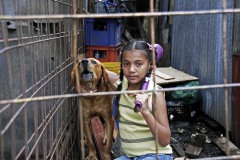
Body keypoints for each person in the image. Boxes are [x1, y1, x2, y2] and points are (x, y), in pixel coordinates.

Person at [107, 40, 173, 160]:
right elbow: (97, 69)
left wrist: (146, 112)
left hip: (155, 155)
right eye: (126, 64)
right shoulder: (121, 86)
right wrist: (82, 85)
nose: (131, 69)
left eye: (138, 64)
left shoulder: (155, 94)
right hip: (131, 157)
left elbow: (165, 140)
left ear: (149, 65)